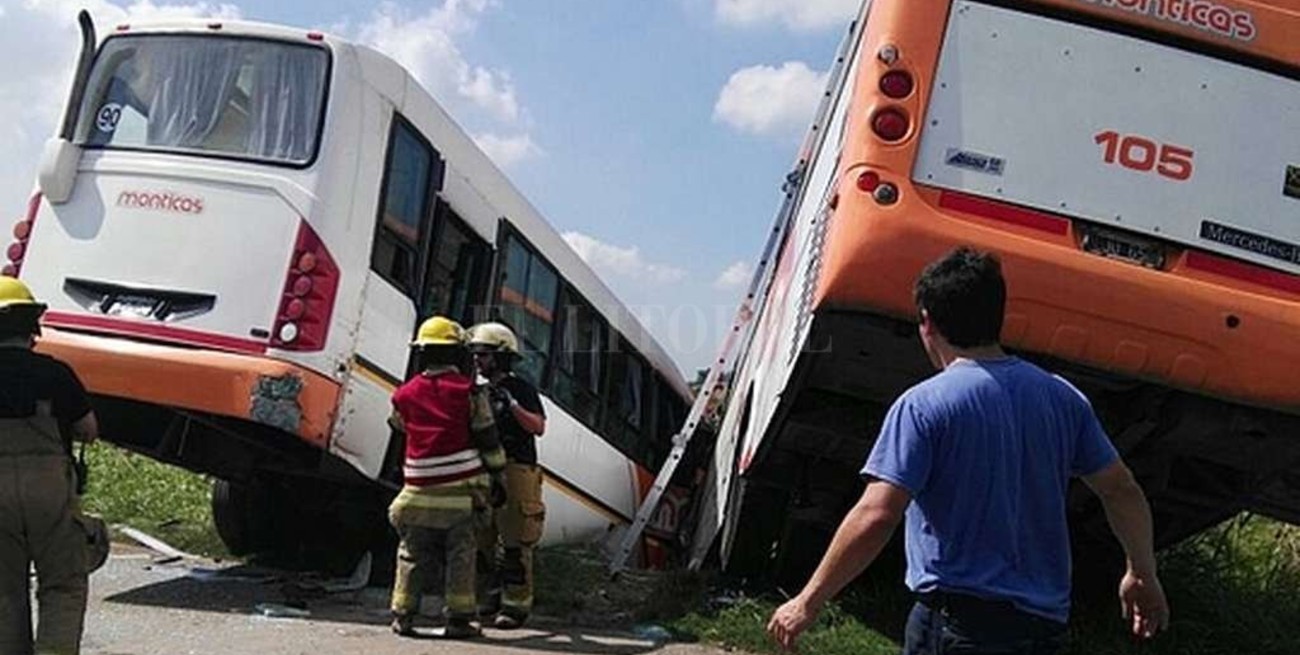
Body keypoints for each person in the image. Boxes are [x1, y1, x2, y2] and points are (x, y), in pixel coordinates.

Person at [766, 248, 1169, 654]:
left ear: (927, 322)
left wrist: (808, 601)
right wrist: (1141, 571)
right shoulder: (1063, 399)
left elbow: (878, 513)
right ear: (998, 316)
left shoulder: (923, 405)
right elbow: (1121, 490)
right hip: (1043, 629)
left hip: (959, 626)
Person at [388, 316, 507, 639]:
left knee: (410, 554)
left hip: (416, 492)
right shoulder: (468, 391)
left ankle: (402, 616)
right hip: (460, 495)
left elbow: (398, 425)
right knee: (461, 555)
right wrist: (499, 475)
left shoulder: (404, 394)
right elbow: (487, 436)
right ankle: (459, 620)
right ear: (458, 354)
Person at [0, 276, 100, 655]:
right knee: (63, 586)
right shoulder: (56, 373)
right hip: (50, 493)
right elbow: (88, 430)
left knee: (4, 592)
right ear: (31, 326)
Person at [468, 322, 547, 629]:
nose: (478, 360)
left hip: (517, 469)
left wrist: (511, 405)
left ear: (501, 357)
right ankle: (486, 599)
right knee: (481, 539)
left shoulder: (521, 389)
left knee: (516, 541)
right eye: (476, 355)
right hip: (485, 468)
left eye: (484, 355)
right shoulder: (479, 391)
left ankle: (515, 607)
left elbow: (537, 427)